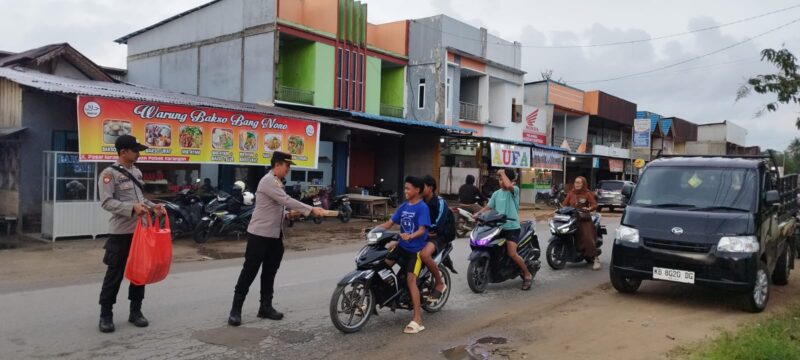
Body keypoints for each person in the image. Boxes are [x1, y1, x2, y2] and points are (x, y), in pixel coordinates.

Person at [227, 152, 325, 326]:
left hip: (274, 235)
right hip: (259, 234)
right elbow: (285, 200)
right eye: (287, 166)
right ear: (278, 164)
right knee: (250, 271)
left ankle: (265, 307)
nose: (289, 169)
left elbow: (276, 206)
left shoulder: (278, 183)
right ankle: (235, 310)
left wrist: (287, 215)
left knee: (270, 271)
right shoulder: (268, 180)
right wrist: (310, 209)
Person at [97, 135, 167, 333]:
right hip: (121, 233)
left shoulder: (136, 171)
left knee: (140, 273)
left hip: (141, 231)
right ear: (123, 152)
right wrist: (131, 208)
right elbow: (106, 202)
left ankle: (135, 311)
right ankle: (106, 314)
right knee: (115, 274)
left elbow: (140, 199)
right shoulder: (108, 174)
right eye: (135, 150)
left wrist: (154, 207)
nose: (138, 154)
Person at [375, 176, 430, 334]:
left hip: (416, 251)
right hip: (402, 246)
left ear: (417, 190)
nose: (405, 191)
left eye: (408, 188)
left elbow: (422, 229)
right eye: (405, 188)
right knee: (381, 268)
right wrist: (372, 230)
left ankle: (417, 319)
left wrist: (410, 236)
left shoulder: (422, 207)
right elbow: (389, 223)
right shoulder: (404, 206)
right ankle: (374, 301)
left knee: (411, 279)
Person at [476, 169, 533, 290]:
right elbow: (488, 207)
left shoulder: (514, 190)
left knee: (512, 253)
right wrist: (477, 214)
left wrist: (502, 172)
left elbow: (508, 185)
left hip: (512, 227)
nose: (500, 181)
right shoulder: (496, 194)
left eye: (503, 178)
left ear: (511, 180)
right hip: (498, 227)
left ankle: (527, 274)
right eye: (500, 179)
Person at [562, 176, 601, 270]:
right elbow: (564, 204)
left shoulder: (587, 193)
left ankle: (596, 258)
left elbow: (594, 205)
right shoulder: (571, 193)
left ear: (583, 184)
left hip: (584, 219)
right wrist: (561, 209)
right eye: (576, 182)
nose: (577, 184)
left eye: (579, 183)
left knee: (587, 238)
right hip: (572, 218)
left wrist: (589, 208)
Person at [420, 175, 448, 304]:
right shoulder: (419, 201)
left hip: (439, 235)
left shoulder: (440, 201)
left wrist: (425, 231)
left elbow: (439, 223)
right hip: (422, 234)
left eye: (422, 186)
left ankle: (439, 283)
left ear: (430, 188)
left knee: (424, 255)